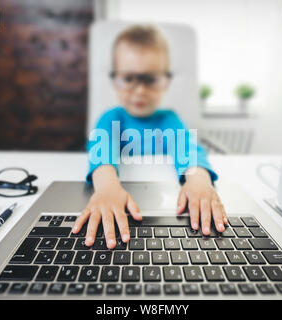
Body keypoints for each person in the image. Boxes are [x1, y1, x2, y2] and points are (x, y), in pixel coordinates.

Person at [73, 25, 228, 249]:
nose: (139, 91)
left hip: (164, 207)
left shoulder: (169, 120)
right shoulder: (109, 119)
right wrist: (106, 188)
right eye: (128, 78)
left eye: (150, 80)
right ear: (114, 79)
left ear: (166, 81)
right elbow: (102, 149)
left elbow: (187, 147)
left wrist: (199, 180)